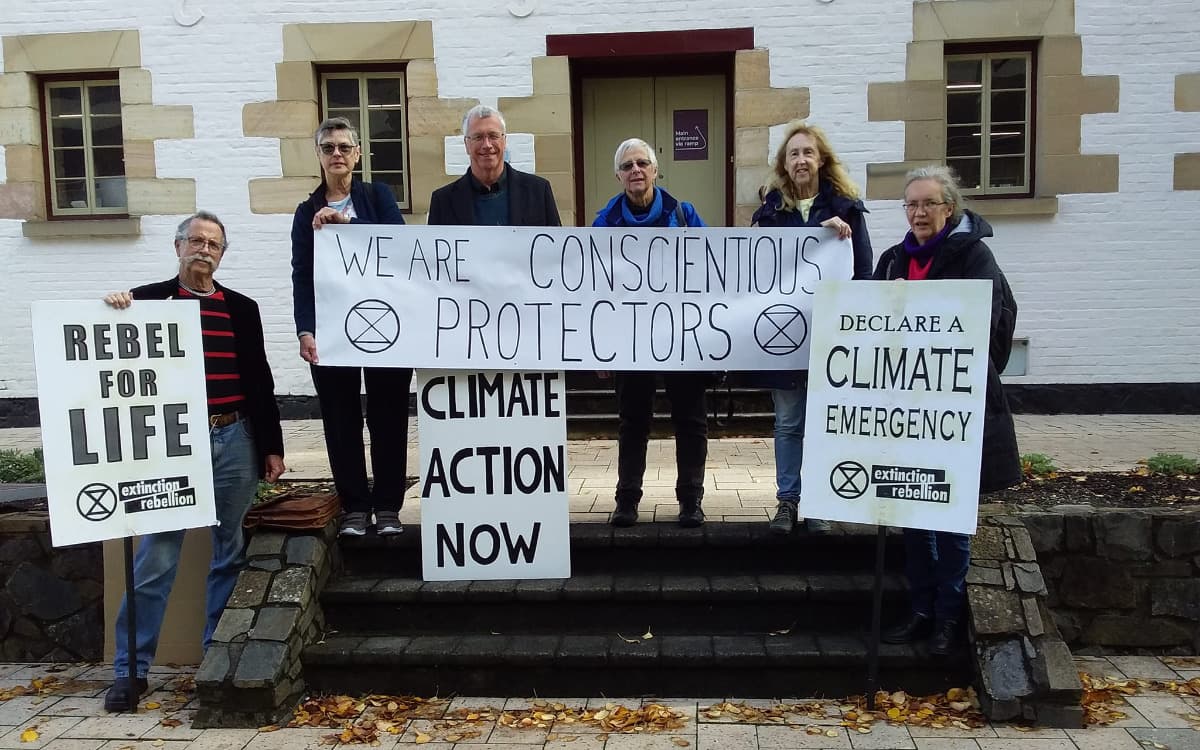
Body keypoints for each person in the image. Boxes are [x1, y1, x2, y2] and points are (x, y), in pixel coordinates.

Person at [101, 211, 286, 711]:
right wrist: (118, 306)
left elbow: (261, 381)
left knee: (228, 551)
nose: (204, 250)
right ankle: (130, 671)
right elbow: (109, 349)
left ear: (222, 254)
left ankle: (215, 657)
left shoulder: (242, 309)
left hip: (234, 437)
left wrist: (272, 447)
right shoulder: (146, 302)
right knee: (157, 555)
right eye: (196, 241)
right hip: (172, 444)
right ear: (177, 246)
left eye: (214, 244)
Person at [876, 165, 1021, 656]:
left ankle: (948, 617)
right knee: (914, 515)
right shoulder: (894, 260)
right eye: (911, 204)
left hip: (955, 411)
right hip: (908, 409)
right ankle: (920, 610)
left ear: (949, 208)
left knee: (952, 519)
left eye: (929, 204)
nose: (919, 212)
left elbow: (986, 325)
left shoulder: (975, 255)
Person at [750, 121, 874, 536]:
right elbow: (755, 268)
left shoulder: (848, 209)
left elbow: (863, 273)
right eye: (793, 154)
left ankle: (818, 502)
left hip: (829, 337)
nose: (801, 160)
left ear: (821, 160)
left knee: (821, 420)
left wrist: (842, 238)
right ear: (784, 165)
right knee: (787, 422)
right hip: (784, 336)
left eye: (807, 152)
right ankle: (787, 502)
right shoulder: (770, 212)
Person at [291, 116, 411, 538]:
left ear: (358, 154)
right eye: (329, 148)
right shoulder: (306, 212)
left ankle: (390, 507)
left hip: (386, 328)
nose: (337, 154)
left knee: (388, 419)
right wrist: (305, 329)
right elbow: (301, 274)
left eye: (344, 147)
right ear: (320, 156)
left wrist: (349, 227)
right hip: (332, 333)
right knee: (341, 423)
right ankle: (356, 508)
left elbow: (399, 244)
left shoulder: (378, 197)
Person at [594, 138, 708, 528]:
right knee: (632, 421)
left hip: (682, 337)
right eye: (627, 166)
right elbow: (594, 289)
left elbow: (713, 273)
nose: (635, 170)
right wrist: (601, 349)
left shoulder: (684, 214)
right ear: (618, 176)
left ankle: (691, 501)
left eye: (642, 163)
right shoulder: (604, 222)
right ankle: (626, 500)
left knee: (690, 420)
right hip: (630, 340)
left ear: (656, 170)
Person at [428, 104, 561, 226]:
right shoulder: (442, 201)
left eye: (493, 136)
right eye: (478, 137)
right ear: (466, 145)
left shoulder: (538, 192)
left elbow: (556, 248)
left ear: (504, 141)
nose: (487, 145)